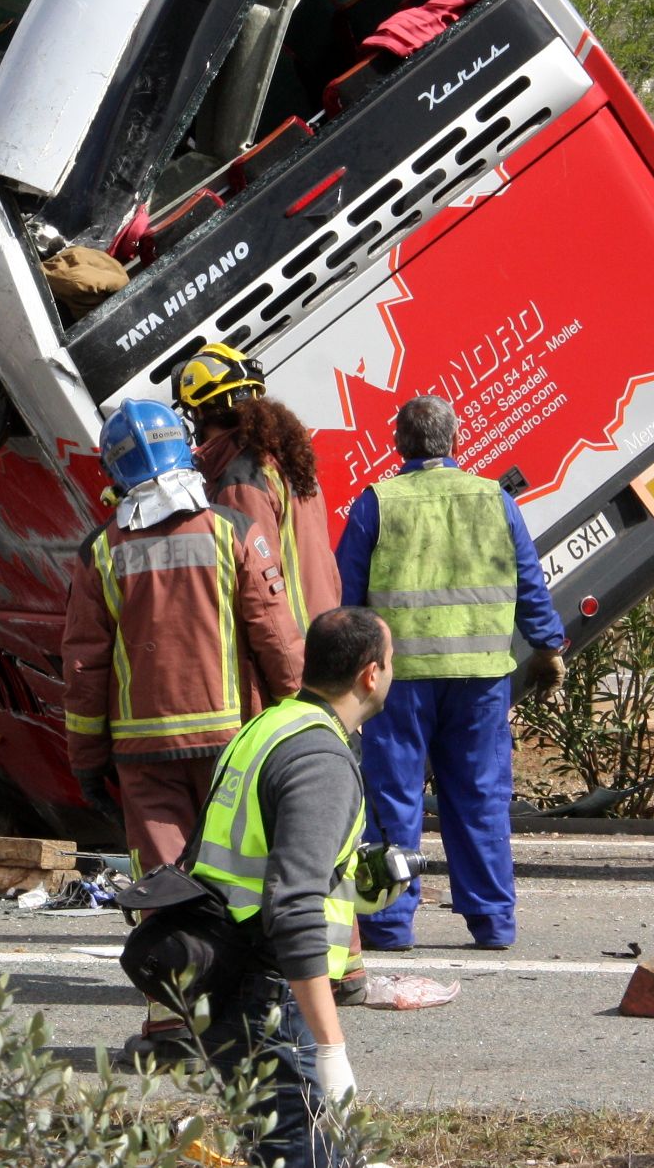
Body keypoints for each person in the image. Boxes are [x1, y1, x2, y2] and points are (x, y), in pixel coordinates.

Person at [64, 398, 301, 1065]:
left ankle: (171, 1029)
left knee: (163, 883)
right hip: (233, 742)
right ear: (183, 454)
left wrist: (86, 758)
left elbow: (83, 667)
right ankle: (251, 1018)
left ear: (116, 471)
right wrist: (299, 714)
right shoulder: (231, 532)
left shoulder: (101, 553)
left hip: (144, 752)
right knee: (237, 879)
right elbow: (275, 638)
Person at [118, 607, 395, 1168]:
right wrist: (331, 1047)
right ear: (371, 674)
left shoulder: (269, 727)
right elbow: (292, 907)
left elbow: (247, 859)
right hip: (268, 999)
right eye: (392, 664)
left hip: (228, 982)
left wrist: (352, 884)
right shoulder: (321, 759)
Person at [334, 394, 566, 953]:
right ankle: (493, 923)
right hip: (481, 680)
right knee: (480, 798)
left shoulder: (376, 504)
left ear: (398, 444)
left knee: (393, 800)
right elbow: (529, 582)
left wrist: (338, 675)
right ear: (455, 442)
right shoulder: (495, 500)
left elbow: (346, 597)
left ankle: (389, 925)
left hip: (398, 682)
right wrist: (548, 645)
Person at [175, 344, 341, 632]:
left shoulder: (238, 480)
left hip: (295, 645)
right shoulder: (283, 454)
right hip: (325, 627)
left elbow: (259, 585)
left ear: (199, 412)